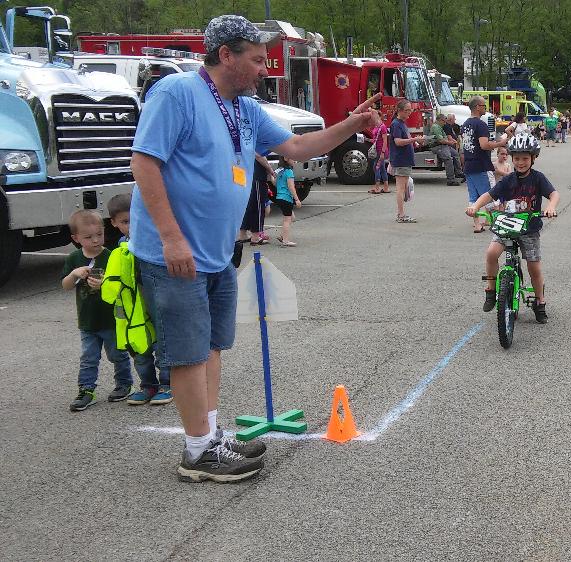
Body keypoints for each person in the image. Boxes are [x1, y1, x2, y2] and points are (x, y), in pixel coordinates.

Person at [129, 14, 382, 483]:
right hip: (176, 253)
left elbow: (299, 147)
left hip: (217, 252)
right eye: (258, 59)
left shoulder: (244, 109)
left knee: (210, 347)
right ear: (226, 55)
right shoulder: (177, 93)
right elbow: (144, 163)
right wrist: (170, 237)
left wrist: (351, 123)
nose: (266, 68)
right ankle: (198, 453)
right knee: (187, 353)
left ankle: (209, 436)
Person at [465, 134, 559, 323]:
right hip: (507, 225)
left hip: (529, 229)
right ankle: (490, 289)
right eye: (517, 158)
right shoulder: (508, 180)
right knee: (491, 253)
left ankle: (540, 301)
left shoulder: (538, 178)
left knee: (534, 267)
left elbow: (554, 194)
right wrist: (475, 206)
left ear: (533, 158)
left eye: (525, 158)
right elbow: (489, 195)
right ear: (511, 158)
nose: (520, 162)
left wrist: (551, 206)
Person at [103, 194, 173, 406]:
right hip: (134, 308)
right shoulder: (120, 248)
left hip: (156, 301)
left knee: (162, 343)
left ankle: (167, 383)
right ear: (114, 223)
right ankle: (147, 385)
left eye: (135, 219)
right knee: (139, 347)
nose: (131, 226)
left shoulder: (153, 241)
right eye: (125, 222)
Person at [61, 209, 133, 411]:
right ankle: (86, 390)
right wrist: (74, 274)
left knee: (117, 354)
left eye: (99, 234)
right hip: (88, 321)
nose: (95, 240)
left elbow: (121, 284)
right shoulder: (74, 258)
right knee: (88, 357)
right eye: (88, 237)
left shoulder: (111, 256)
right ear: (76, 238)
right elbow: (65, 285)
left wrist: (103, 285)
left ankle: (124, 384)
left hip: (111, 319)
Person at [462, 95, 508, 233]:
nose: (485, 109)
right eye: (484, 106)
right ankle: (495, 224)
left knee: (473, 197)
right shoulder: (481, 124)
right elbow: (484, 145)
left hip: (469, 165)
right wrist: (500, 143)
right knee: (489, 194)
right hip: (481, 164)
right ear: (477, 107)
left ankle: (477, 225)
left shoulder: (465, 124)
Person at [389, 99, 421, 223]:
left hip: (404, 159)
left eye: (410, 110)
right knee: (401, 188)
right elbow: (398, 142)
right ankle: (401, 215)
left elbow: (404, 140)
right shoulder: (396, 124)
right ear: (399, 110)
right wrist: (413, 140)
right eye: (407, 110)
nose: (409, 112)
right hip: (401, 160)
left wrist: (415, 141)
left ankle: (401, 214)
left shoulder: (401, 123)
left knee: (402, 188)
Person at [239, 154, 274, 245]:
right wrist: (270, 170)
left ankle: (243, 234)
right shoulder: (257, 146)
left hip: (248, 175)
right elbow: (259, 156)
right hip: (257, 177)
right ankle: (255, 236)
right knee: (258, 207)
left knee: (248, 206)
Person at [271, 156, 302, 245]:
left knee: (291, 217)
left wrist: (272, 176)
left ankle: (282, 236)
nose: (294, 160)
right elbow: (291, 187)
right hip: (286, 198)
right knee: (287, 220)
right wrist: (297, 199)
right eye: (293, 158)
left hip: (279, 197)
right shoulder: (289, 171)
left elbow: (274, 183)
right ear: (286, 159)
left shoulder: (280, 170)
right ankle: (285, 240)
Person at [429, 113, 461, 186]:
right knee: (448, 158)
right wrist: (450, 142)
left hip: (443, 145)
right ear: (440, 120)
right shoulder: (436, 127)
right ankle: (451, 180)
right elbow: (441, 140)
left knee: (455, 154)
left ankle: (458, 173)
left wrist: (451, 141)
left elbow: (444, 138)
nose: (445, 123)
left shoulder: (439, 127)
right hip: (437, 146)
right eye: (444, 121)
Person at [368, 119, 391, 194]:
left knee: (376, 167)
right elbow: (375, 140)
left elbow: (385, 141)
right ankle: (386, 187)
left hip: (380, 151)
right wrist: (366, 139)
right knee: (382, 168)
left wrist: (382, 153)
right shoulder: (377, 127)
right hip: (378, 150)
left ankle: (377, 188)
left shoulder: (382, 127)